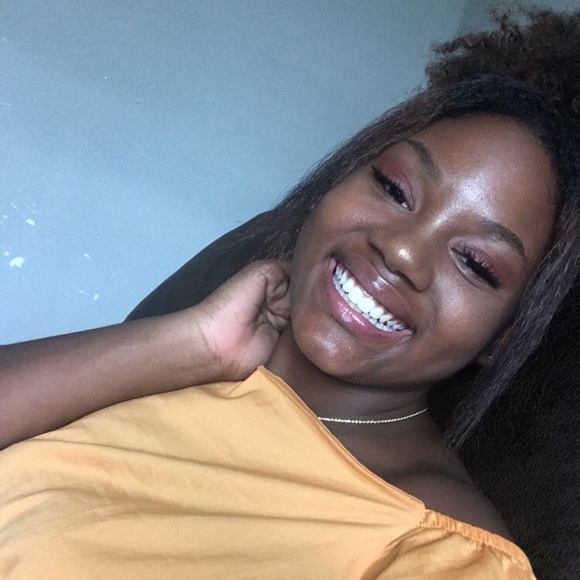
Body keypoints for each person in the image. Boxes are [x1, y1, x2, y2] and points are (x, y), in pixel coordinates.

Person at [1, 9, 579, 579]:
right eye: (394, 188)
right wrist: (194, 344)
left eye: (476, 263)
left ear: (503, 338)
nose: (402, 251)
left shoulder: (441, 554)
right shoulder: (186, 354)